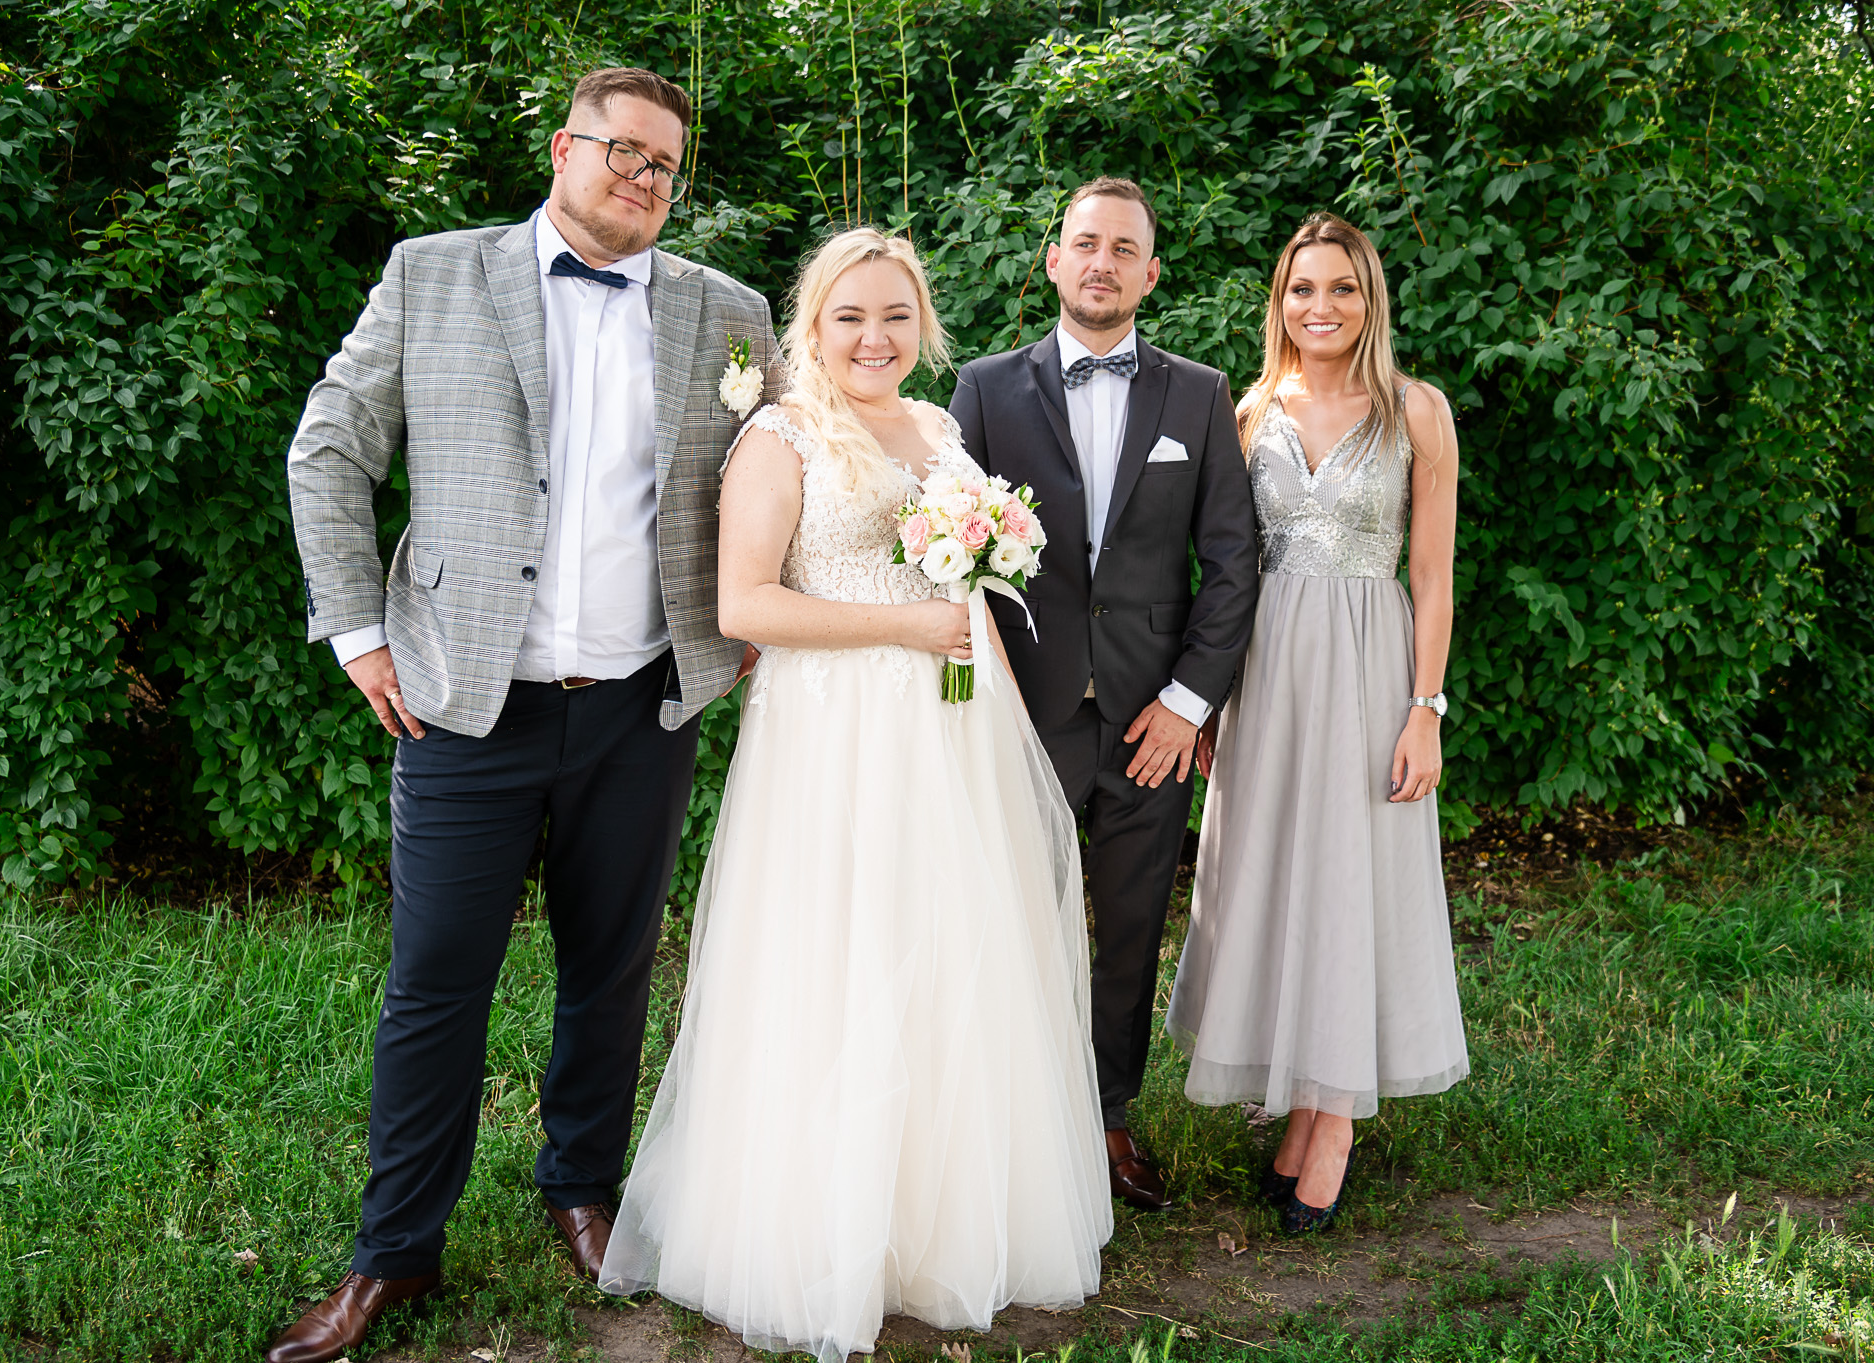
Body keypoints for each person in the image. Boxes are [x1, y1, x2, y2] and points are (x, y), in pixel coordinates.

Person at [271, 68, 781, 1363]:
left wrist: (761, 613)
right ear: (564, 148)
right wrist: (357, 630)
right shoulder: (433, 273)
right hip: (463, 704)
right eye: (624, 151)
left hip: (643, 702)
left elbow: (784, 473)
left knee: (610, 969)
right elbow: (329, 447)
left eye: (665, 166)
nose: (645, 179)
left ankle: (582, 1186)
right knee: (434, 983)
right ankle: (394, 1249)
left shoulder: (731, 314)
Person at [598, 228, 1112, 1363]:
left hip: (948, 733)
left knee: (946, 957)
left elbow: (967, 595)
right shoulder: (779, 436)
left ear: (922, 324)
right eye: (850, 317)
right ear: (812, 326)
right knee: (841, 961)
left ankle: (934, 1226)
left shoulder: (937, 428)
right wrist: (903, 625)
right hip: (833, 740)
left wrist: (1003, 721)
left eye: (894, 316)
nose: (874, 338)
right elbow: (744, 606)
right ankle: (822, 1237)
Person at [949, 178, 1262, 1210]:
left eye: (1124, 249)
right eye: (1086, 243)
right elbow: (948, 561)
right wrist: (983, 700)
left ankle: (1108, 1117)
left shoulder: (1198, 395)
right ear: (1053, 260)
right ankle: (1010, 1120)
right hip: (1021, 713)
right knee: (1010, 920)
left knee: (1127, 929)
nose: (1102, 263)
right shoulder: (985, 389)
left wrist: (1188, 701)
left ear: (1150, 273)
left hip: (1148, 721)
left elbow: (1232, 561)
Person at [1164, 211, 1469, 1234]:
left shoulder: (1416, 410)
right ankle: (1302, 1098)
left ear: (1368, 298)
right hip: (1266, 672)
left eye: (1341, 287)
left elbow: (1432, 577)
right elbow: (1223, 569)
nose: (1320, 306)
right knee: (1281, 872)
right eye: (1302, 288)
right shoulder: (1249, 410)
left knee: (1352, 876)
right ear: (1279, 301)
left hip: (1370, 666)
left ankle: (1333, 1120)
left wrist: (1424, 709)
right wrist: (1207, 695)